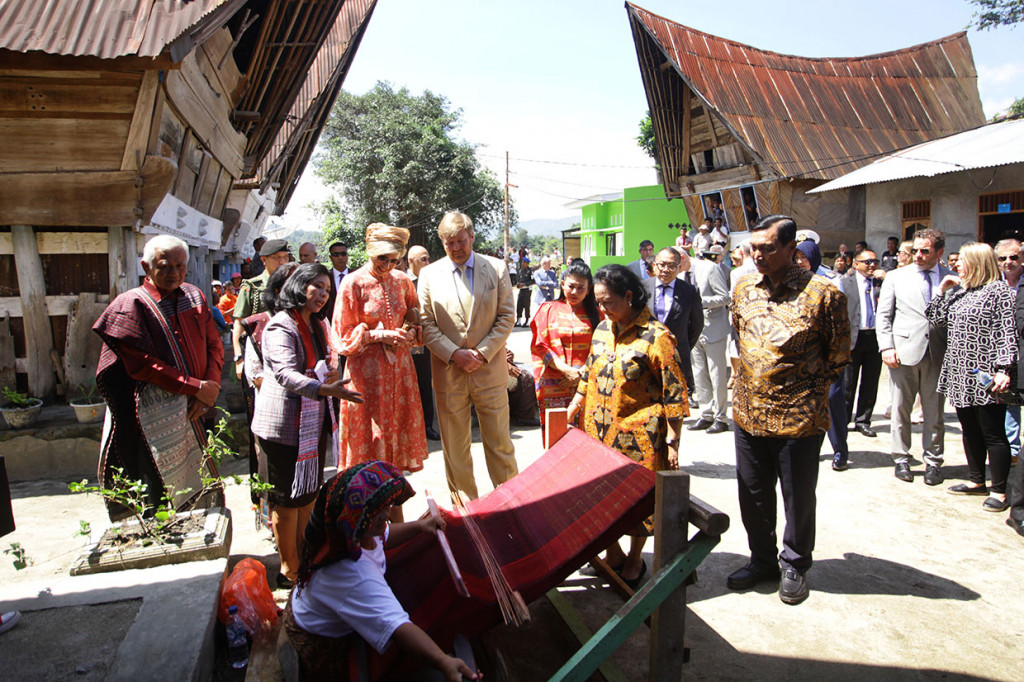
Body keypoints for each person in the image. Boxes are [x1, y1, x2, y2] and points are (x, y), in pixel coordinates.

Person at [728, 215, 850, 605]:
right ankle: (762, 560)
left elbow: (839, 355)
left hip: (799, 418)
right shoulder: (744, 288)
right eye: (754, 248)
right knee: (753, 494)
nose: (757, 255)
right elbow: (740, 335)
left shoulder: (823, 295)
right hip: (748, 413)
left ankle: (795, 563)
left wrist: (805, 389)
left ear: (790, 249)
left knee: (798, 497)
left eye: (767, 248)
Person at [287, 461, 479, 682]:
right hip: (320, 641)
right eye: (376, 511)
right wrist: (443, 661)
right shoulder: (353, 572)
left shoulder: (358, 531)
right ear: (354, 519)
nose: (386, 513)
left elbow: (384, 534)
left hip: (318, 610)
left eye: (386, 505)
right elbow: (396, 625)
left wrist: (419, 527)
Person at [567, 264, 687, 587]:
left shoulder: (657, 337)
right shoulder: (603, 329)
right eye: (599, 302)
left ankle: (635, 558)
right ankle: (613, 553)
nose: (602, 309)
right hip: (598, 431)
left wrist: (674, 438)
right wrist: (578, 400)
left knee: (637, 503)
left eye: (608, 302)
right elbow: (591, 368)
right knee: (600, 498)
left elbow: (674, 389)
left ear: (629, 297)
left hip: (639, 437)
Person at [92, 235, 223, 518]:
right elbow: (142, 365)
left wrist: (209, 389)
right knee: (157, 488)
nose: (173, 273)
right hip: (153, 418)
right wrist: (194, 387)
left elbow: (213, 343)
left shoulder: (195, 296)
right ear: (146, 266)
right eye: (164, 266)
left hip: (199, 407)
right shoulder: (131, 306)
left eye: (180, 266)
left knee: (202, 478)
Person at [252, 263, 364, 587]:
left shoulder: (319, 323)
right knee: (287, 501)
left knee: (308, 496)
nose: (323, 294)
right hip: (283, 426)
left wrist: (330, 374)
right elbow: (285, 374)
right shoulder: (279, 326)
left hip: (311, 423)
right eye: (317, 286)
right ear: (300, 287)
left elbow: (325, 363)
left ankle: (303, 558)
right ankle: (288, 570)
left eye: (327, 289)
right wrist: (324, 388)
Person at [418, 211, 518, 501]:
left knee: (500, 445)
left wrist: (481, 353)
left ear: (472, 237)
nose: (456, 248)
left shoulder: (496, 268)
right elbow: (426, 323)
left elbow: (507, 317)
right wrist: (454, 354)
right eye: (449, 243)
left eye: (461, 241)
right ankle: (466, 514)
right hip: (449, 375)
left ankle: (510, 507)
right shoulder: (428, 274)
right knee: (455, 449)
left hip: (489, 372)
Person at [333, 224, 429, 519]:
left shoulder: (401, 281)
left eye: (392, 260)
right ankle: (368, 519)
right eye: (381, 259)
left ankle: (393, 517)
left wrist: (411, 332)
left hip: (399, 373)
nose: (386, 266)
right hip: (366, 376)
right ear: (369, 253)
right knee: (371, 443)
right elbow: (341, 336)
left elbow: (414, 318)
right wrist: (378, 336)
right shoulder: (353, 284)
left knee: (395, 438)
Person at [926, 243, 1016, 513]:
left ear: (977, 263)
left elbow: (1006, 332)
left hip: (985, 373)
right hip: (959, 370)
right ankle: (977, 481)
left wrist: (1004, 369)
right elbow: (934, 318)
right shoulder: (961, 291)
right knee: (970, 429)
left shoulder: (998, 291)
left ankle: (999, 490)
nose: (957, 266)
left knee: (993, 432)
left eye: (963, 261)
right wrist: (942, 293)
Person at [877, 228, 951, 484]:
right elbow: (884, 316)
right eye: (915, 250)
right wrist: (886, 347)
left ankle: (933, 462)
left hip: (938, 355)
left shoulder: (951, 279)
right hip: (903, 352)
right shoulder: (897, 277)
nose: (918, 256)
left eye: (925, 251)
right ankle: (901, 458)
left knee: (935, 413)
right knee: (900, 410)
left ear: (939, 252)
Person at [794, 241, 857, 473]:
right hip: (802, 353)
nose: (800, 262)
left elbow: (842, 318)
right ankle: (810, 448)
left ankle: (840, 449)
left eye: (804, 257)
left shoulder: (831, 280)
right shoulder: (791, 281)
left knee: (832, 399)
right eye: (797, 257)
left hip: (828, 351)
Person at [530, 260, 602, 430]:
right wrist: (566, 370)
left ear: (589, 289)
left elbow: (603, 348)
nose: (574, 292)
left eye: (580, 287)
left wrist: (580, 375)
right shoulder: (547, 309)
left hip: (587, 383)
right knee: (556, 436)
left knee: (588, 437)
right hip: (554, 383)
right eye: (570, 286)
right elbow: (540, 345)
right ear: (562, 285)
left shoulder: (599, 315)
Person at [681, 245, 732, 434]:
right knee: (699, 373)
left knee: (717, 374)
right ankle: (706, 413)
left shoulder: (709, 268)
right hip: (693, 331)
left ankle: (721, 417)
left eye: (675, 264)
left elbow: (725, 297)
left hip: (714, 329)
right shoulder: (680, 275)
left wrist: (698, 303)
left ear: (684, 258)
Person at [644, 247, 703, 396]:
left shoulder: (690, 291)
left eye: (671, 265)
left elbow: (697, 325)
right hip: (646, 356)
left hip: (677, 357)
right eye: (662, 264)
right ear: (654, 265)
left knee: (676, 406)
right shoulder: (643, 288)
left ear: (679, 268)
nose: (666, 269)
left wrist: (681, 345)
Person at [844, 250, 884, 441]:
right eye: (867, 261)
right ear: (855, 264)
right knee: (847, 383)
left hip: (875, 337)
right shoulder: (846, 283)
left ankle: (863, 420)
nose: (871, 265)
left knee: (871, 381)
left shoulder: (882, 282)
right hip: (853, 337)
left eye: (874, 261)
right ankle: (843, 420)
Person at [408, 245, 441, 441]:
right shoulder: (400, 281)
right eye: (423, 259)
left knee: (425, 383)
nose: (428, 263)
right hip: (405, 342)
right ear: (410, 261)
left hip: (427, 341)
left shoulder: (433, 281)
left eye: (428, 259)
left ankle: (427, 425)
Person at [996, 240, 1023, 468]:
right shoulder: (994, 285)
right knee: (1010, 402)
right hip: (1006, 354)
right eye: (1003, 258)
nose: (1008, 262)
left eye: (1013, 257)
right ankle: (1012, 451)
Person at [325, 241, 351, 325]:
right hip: (331, 323)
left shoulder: (357, 276)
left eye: (343, 254)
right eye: (336, 254)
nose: (340, 257)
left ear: (347, 256)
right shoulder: (325, 277)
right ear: (330, 257)